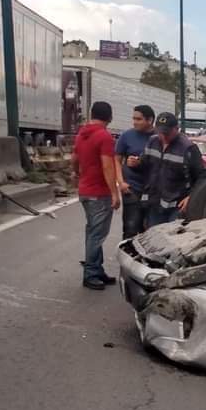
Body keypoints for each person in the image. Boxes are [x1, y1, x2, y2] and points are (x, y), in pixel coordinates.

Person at [72, 101, 120, 290]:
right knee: (97, 234)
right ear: (109, 117)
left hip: (85, 191)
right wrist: (114, 193)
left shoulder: (82, 134)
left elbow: (74, 159)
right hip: (99, 193)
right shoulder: (104, 136)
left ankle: (97, 270)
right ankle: (91, 273)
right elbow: (108, 166)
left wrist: (76, 173)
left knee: (93, 231)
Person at [130, 112, 206, 227]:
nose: (163, 136)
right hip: (155, 204)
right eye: (160, 132)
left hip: (177, 206)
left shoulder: (188, 148)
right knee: (154, 239)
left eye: (167, 133)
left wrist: (192, 197)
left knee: (173, 239)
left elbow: (203, 176)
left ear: (176, 129)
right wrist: (136, 163)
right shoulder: (152, 142)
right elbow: (145, 165)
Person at [114, 104, 155, 239]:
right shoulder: (127, 136)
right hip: (131, 188)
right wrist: (121, 182)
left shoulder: (159, 137)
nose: (135, 122)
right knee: (130, 229)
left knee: (150, 231)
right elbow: (117, 160)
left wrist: (141, 162)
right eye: (134, 119)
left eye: (139, 119)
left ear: (150, 120)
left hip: (153, 190)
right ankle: (127, 256)